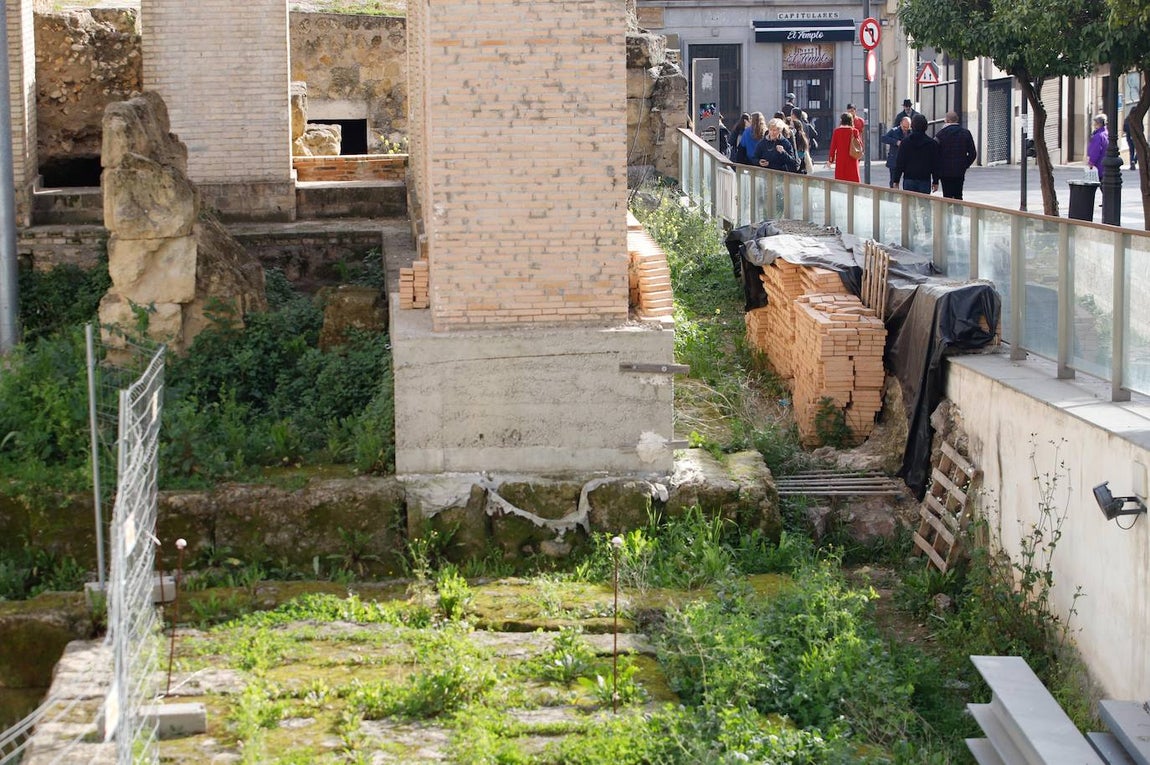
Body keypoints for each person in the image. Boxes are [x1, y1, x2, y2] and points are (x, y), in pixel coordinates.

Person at [934, 111, 977, 199]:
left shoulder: (941, 134)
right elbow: (973, 153)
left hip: (945, 171)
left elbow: (935, 154)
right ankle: (958, 208)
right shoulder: (966, 133)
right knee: (958, 195)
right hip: (959, 170)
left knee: (947, 196)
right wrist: (965, 164)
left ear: (947, 120)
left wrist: (937, 173)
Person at [893, 113, 939, 194]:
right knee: (924, 202)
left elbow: (900, 162)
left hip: (909, 178)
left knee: (909, 201)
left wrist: (896, 180)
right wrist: (935, 181)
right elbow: (935, 164)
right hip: (924, 179)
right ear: (926, 127)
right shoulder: (932, 143)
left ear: (912, 126)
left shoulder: (905, 142)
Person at [825, 112, 861, 182]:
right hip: (852, 158)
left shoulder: (837, 131)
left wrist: (830, 160)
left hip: (841, 160)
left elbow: (833, 148)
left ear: (841, 120)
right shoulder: (855, 131)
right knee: (853, 180)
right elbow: (859, 145)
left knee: (841, 180)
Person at [882, 116, 911, 188]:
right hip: (895, 159)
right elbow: (884, 138)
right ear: (900, 124)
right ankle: (893, 193)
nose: (905, 129)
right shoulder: (894, 131)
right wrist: (896, 142)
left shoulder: (911, 132)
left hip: (907, 160)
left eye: (907, 127)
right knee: (894, 181)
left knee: (908, 181)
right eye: (904, 127)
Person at [1087, 113, 1108, 182]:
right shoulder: (1107, 134)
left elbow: (1095, 150)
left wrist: (1091, 162)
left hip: (1099, 165)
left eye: (1095, 123)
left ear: (1098, 124)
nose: (1094, 125)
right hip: (1106, 166)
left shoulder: (1098, 136)